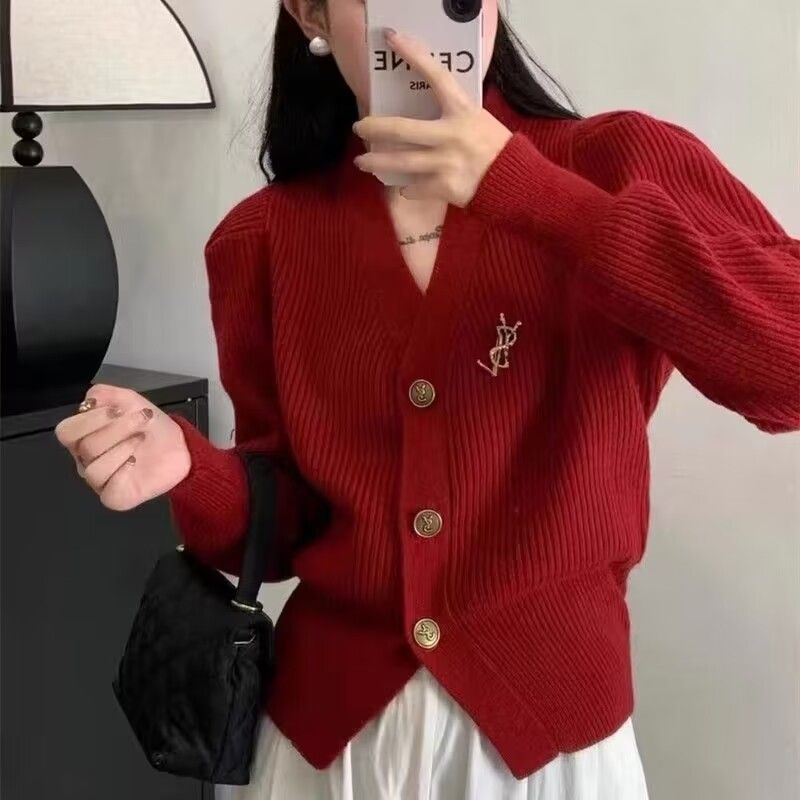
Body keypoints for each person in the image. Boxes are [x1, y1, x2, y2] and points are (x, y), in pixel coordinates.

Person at [54, 1, 799, 798]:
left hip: (549, 751)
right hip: (327, 751)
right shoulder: (264, 238)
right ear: (309, 11)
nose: (420, 21)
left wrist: (525, 190)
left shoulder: (614, 164)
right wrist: (189, 469)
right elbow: (284, 525)